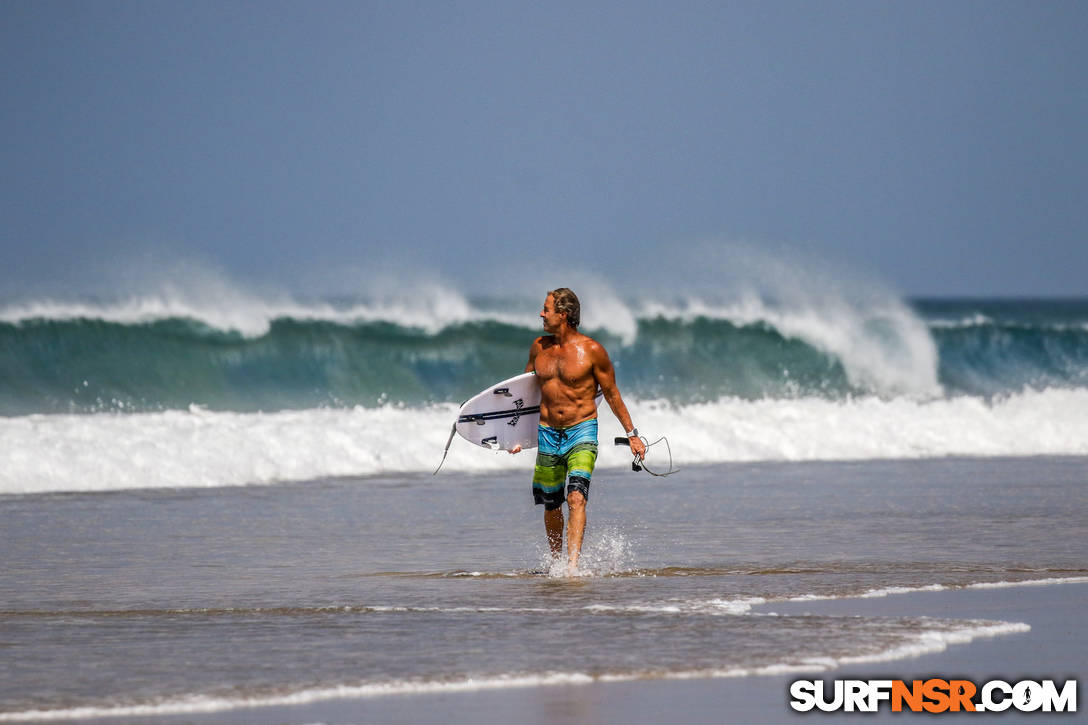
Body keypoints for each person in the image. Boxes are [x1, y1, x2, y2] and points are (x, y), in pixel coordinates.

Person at [511, 288, 646, 572]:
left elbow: (611, 394)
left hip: (582, 430)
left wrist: (632, 434)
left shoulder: (593, 351)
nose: (541, 314)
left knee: (576, 496)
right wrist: (515, 437)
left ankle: (571, 567)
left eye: (546, 309)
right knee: (551, 504)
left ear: (563, 314)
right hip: (548, 432)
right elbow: (523, 394)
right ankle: (555, 562)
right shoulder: (539, 347)